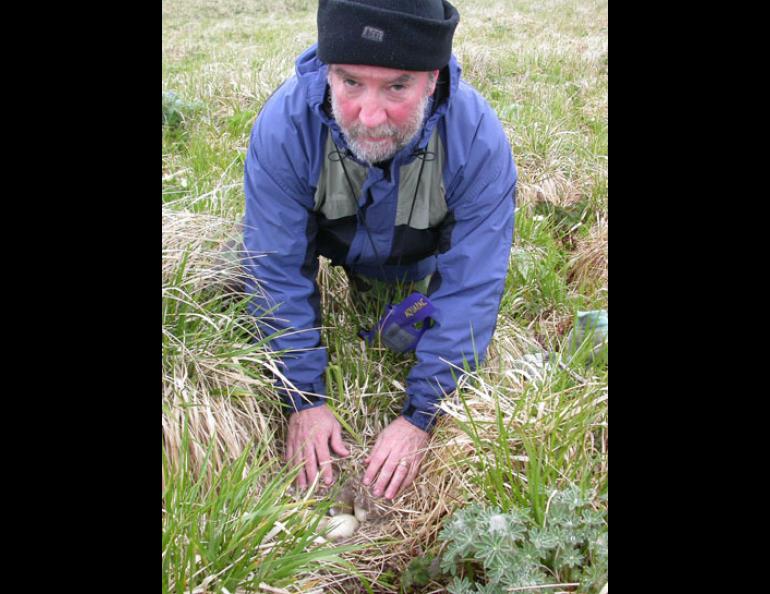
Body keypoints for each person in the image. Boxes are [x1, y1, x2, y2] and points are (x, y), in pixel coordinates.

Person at [243, 0, 517, 501]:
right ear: (328, 71)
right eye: (350, 82)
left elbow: (472, 282)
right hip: (336, 244)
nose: (369, 115)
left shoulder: (476, 139)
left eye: (396, 86)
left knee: (417, 299)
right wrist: (302, 399)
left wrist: (422, 417)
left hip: (420, 256)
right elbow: (274, 267)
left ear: (432, 78)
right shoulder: (285, 128)